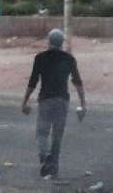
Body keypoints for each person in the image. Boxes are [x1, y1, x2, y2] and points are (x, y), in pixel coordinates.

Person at [21, 29, 86, 178]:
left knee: (42, 132)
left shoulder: (40, 58)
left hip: (45, 100)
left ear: (48, 41)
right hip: (62, 100)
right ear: (62, 42)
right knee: (57, 135)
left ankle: (44, 157)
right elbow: (78, 82)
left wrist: (25, 101)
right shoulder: (69, 59)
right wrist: (83, 103)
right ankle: (53, 166)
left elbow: (33, 82)